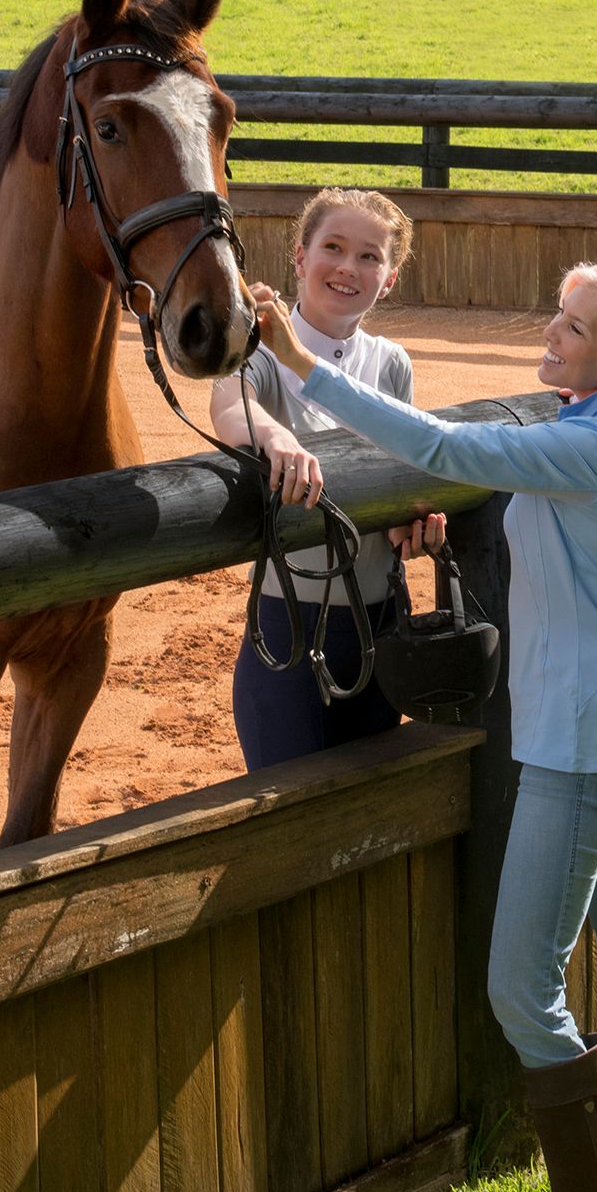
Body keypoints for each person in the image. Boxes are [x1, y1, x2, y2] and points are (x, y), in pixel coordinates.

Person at [243, 258, 597, 1192]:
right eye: (558, 315)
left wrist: (300, 368)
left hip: (578, 741)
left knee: (520, 991)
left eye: (573, 326)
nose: (550, 334)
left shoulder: (595, 445)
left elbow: (443, 447)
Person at [209, 189, 436, 769]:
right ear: (300, 257)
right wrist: (274, 436)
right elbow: (230, 405)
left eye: (369, 256)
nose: (347, 267)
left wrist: (409, 523)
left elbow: (399, 474)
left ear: (388, 279)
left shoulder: (391, 363)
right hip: (289, 621)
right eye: (332, 247)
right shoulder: (262, 348)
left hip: (381, 617)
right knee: (287, 795)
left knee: (368, 794)